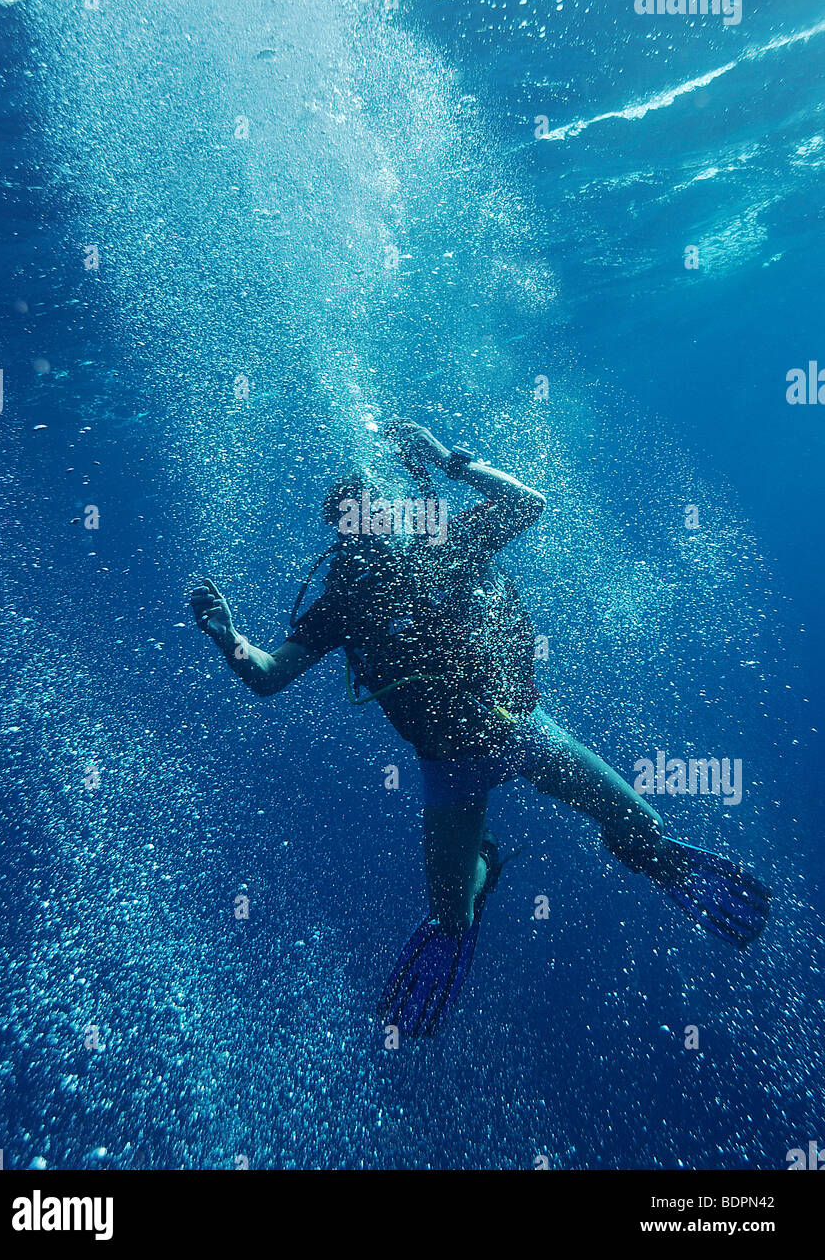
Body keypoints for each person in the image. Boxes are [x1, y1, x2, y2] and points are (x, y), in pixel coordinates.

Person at [191, 419, 770, 1036]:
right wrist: (229, 638)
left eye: (372, 509)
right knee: (451, 920)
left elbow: (527, 504)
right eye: (349, 520)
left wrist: (449, 459)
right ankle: (485, 864)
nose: (366, 526)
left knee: (644, 828)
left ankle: (646, 856)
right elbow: (270, 675)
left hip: (523, 731)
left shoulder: (446, 543)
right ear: (339, 534)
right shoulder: (346, 600)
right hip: (450, 770)